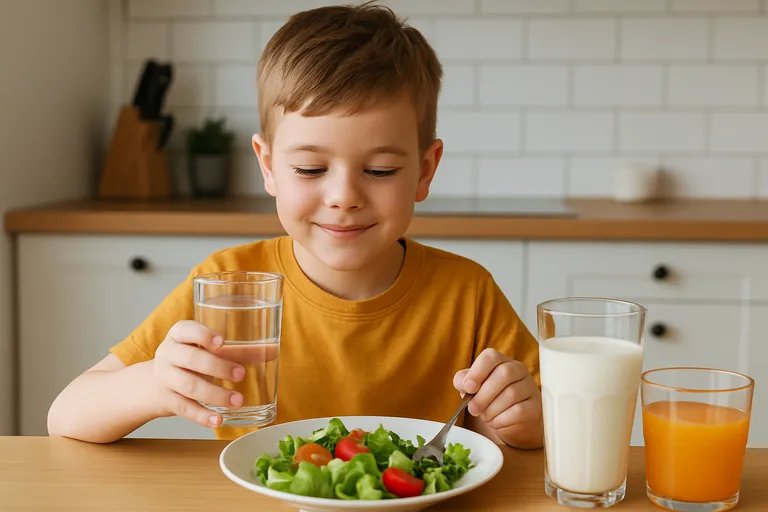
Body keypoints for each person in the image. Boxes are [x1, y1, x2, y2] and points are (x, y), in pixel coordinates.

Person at [47, 2, 543, 449]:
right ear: (267, 166)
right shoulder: (227, 285)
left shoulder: (467, 293)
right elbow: (65, 416)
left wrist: (519, 421)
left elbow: (550, 424)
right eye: (310, 169)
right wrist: (154, 384)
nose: (344, 197)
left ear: (425, 170)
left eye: (380, 170)